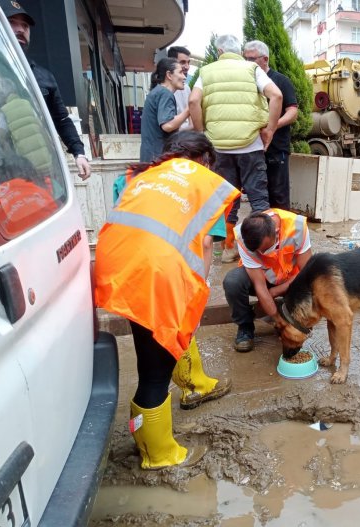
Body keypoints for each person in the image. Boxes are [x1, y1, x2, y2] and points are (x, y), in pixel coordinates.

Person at [94, 131, 240, 470]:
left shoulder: (141, 175)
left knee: (155, 340)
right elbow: (206, 247)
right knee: (154, 373)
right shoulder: (204, 184)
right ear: (204, 160)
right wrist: (196, 293)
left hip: (120, 265)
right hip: (157, 276)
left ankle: (194, 386)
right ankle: (158, 454)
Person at [189, 34, 283, 263]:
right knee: (259, 200)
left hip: (219, 147)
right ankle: (266, 250)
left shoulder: (206, 71)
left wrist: (201, 133)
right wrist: (269, 129)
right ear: (238, 52)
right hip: (250, 145)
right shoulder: (251, 69)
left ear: (219, 52)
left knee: (226, 200)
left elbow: (193, 102)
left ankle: (229, 248)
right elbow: (276, 95)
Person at [1, 0, 91, 179]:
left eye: (25, 25)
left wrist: (79, 153)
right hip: (1, 174)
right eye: (12, 22)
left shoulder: (44, 76)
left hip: (44, 172)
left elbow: (62, 119)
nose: (20, 29)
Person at [223, 209, 312, 352]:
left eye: (264, 249)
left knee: (311, 284)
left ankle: (294, 319)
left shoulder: (297, 227)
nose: (261, 254)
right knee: (233, 282)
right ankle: (245, 327)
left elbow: (307, 272)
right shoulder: (243, 236)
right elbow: (260, 287)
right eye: (257, 251)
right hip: (262, 278)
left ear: (276, 233)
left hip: (292, 280)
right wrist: (279, 322)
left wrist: (277, 291)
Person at [243, 40, 298, 210]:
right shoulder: (245, 82)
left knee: (278, 197)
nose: (247, 64)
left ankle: (281, 234)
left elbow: (293, 112)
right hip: (252, 149)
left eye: (251, 59)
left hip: (276, 149)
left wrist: (272, 127)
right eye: (245, 59)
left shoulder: (281, 81)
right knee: (258, 197)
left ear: (265, 59)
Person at [139, 58, 190, 163]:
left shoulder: (157, 92)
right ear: (169, 75)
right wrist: (189, 109)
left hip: (150, 157)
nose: (184, 77)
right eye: (180, 72)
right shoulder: (165, 94)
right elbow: (168, 125)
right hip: (157, 159)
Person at [167, 46, 192, 131]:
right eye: (182, 62)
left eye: (188, 62)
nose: (187, 67)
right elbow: (168, 126)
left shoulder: (186, 88)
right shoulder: (163, 91)